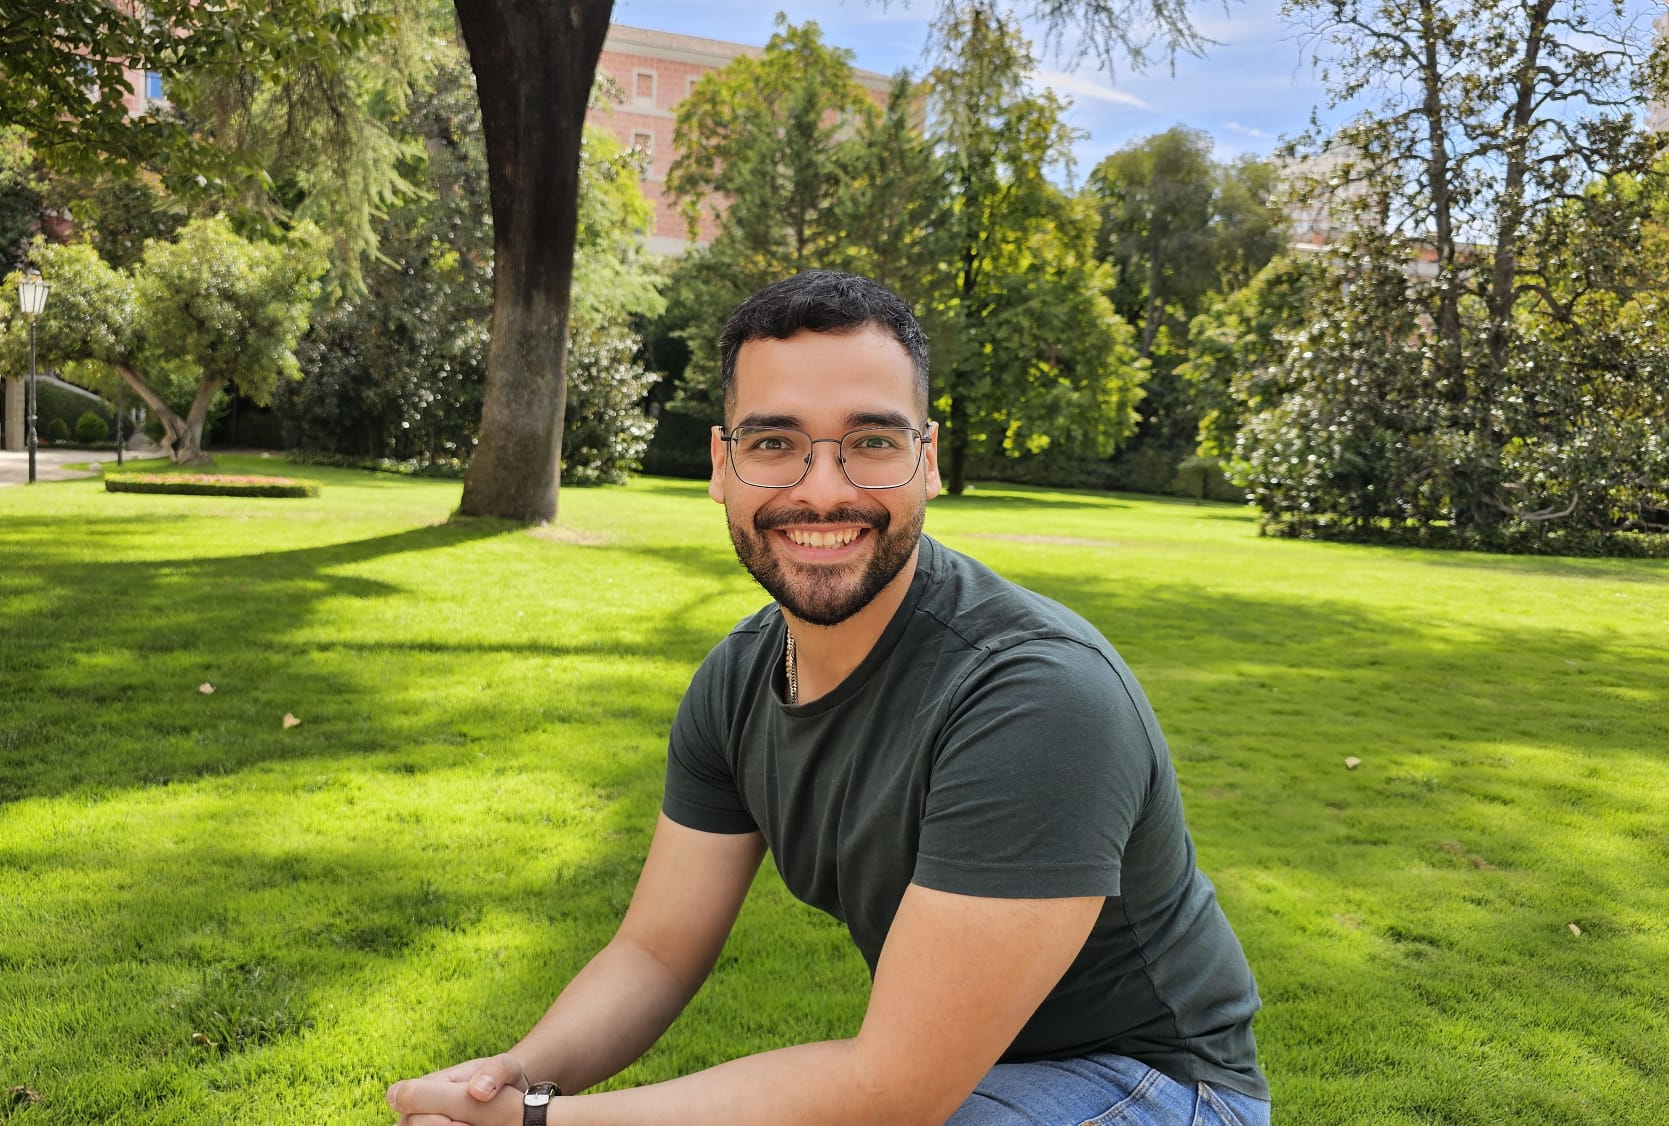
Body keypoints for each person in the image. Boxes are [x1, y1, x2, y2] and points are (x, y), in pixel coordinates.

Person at [387, 271, 1268, 1126]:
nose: (821, 490)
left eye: (872, 442)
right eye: (774, 444)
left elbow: (893, 1090)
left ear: (926, 461)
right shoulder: (737, 681)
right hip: (969, 1071)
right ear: (722, 466)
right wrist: (510, 1079)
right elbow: (654, 952)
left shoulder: (1036, 697)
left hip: (1153, 1086)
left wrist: (539, 1125)